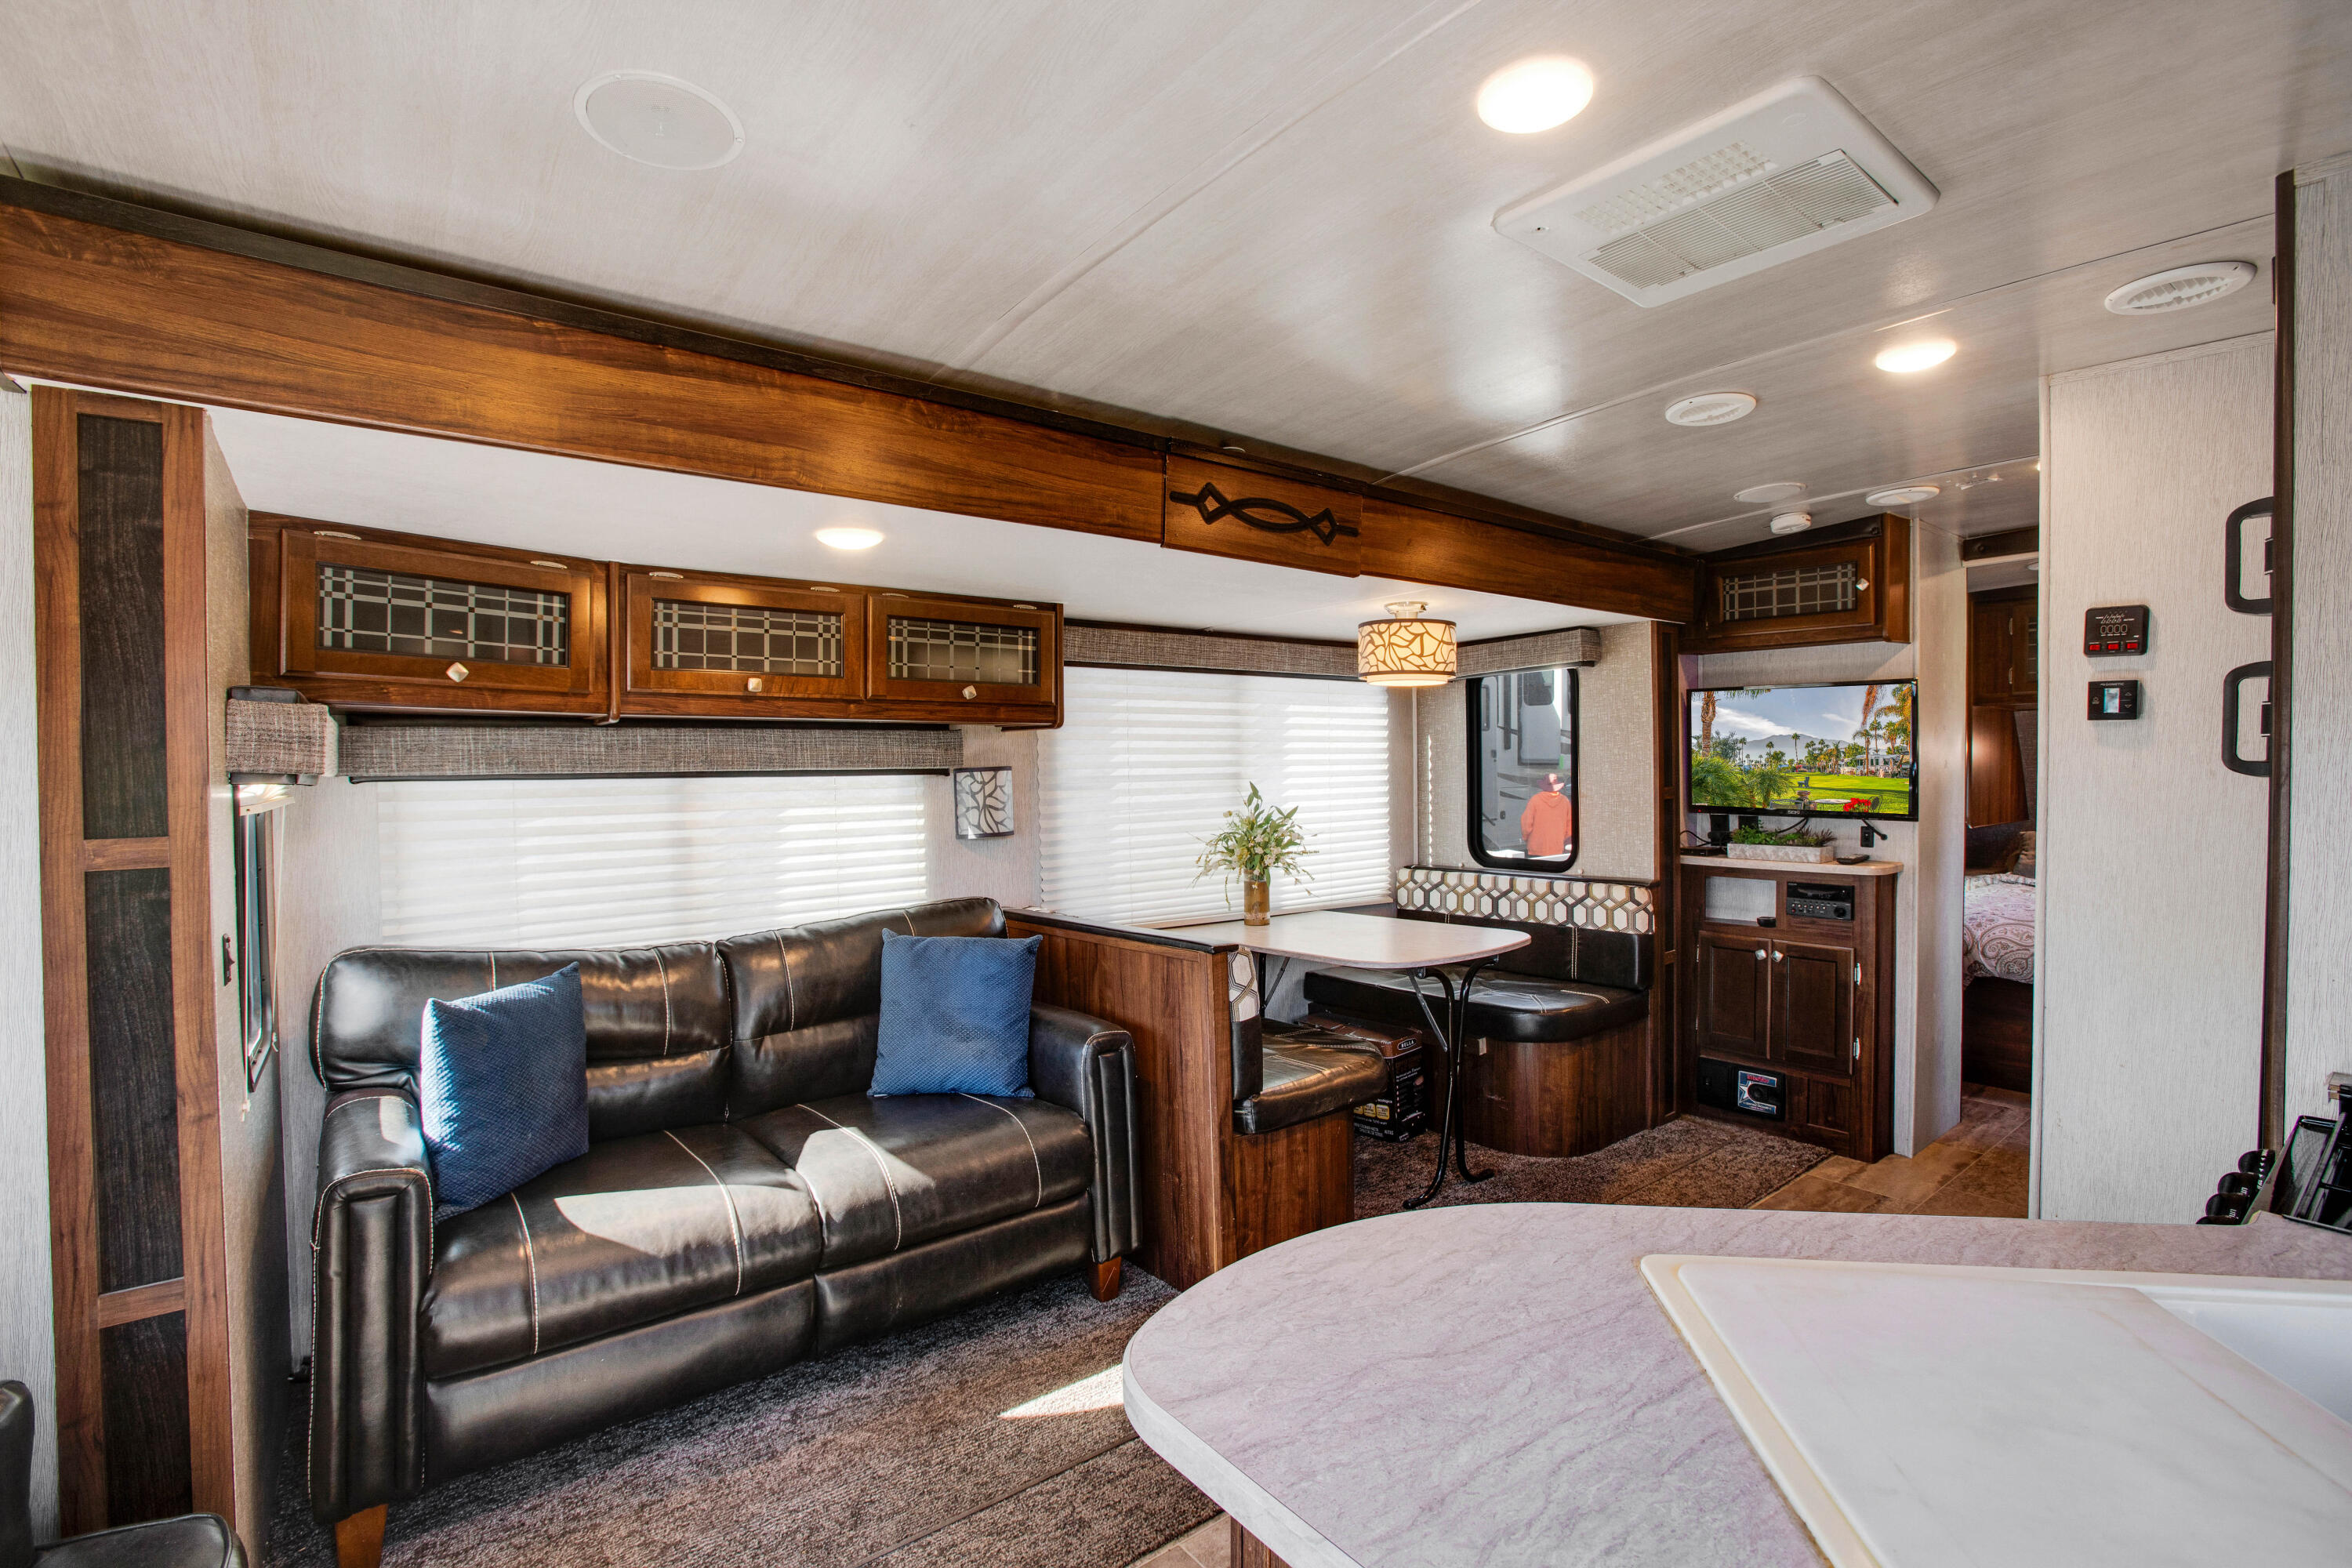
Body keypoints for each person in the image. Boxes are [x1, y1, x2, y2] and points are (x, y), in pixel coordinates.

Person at [1519, 772, 1573, 858]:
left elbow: (1526, 824)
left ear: (1543, 786)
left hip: (1536, 848)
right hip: (1557, 848)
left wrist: (1525, 838)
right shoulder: (1565, 801)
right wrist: (1561, 839)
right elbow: (1570, 827)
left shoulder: (1535, 800)